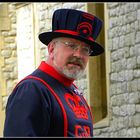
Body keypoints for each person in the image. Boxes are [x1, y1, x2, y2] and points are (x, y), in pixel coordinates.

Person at [3, 8, 104, 137]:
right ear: (51, 49)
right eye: (71, 45)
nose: (78, 55)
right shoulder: (32, 89)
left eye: (85, 50)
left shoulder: (75, 93)